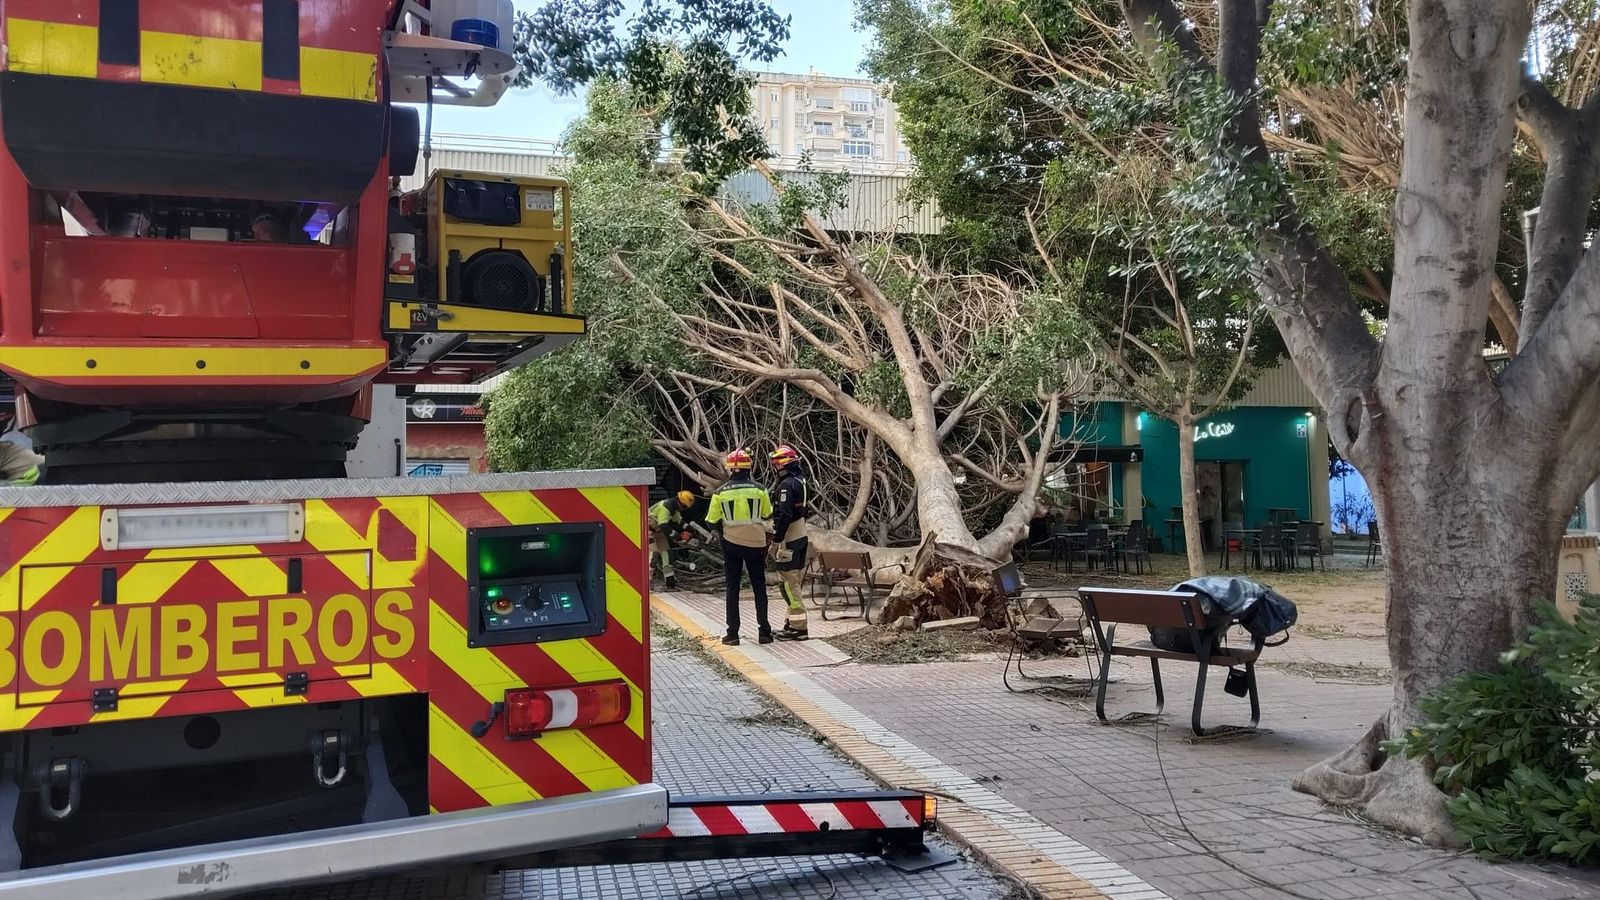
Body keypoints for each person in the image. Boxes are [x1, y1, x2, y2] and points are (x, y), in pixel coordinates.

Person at [705, 448, 774, 646]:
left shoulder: (720, 493)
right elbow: (768, 514)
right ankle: (765, 633)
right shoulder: (760, 489)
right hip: (756, 544)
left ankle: (732, 634)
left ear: (730, 469)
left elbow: (711, 521)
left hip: (731, 544)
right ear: (748, 467)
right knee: (759, 587)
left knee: (732, 588)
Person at [767, 444, 811, 640]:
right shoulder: (800, 481)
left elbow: (784, 514)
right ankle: (791, 623)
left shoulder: (786, 485)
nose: (775, 468)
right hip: (801, 535)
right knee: (793, 582)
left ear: (782, 465)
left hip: (790, 538)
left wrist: (776, 539)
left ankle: (799, 628)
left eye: (776, 464)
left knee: (788, 584)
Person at [648, 490, 697, 589]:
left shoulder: (673, 508)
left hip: (658, 531)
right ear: (680, 503)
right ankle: (647, 582)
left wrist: (691, 530)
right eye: (684, 507)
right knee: (654, 556)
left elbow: (680, 521)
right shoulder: (665, 508)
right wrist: (678, 536)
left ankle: (670, 583)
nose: (684, 509)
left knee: (667, 554)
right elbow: (664, 526)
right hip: (648, 530)